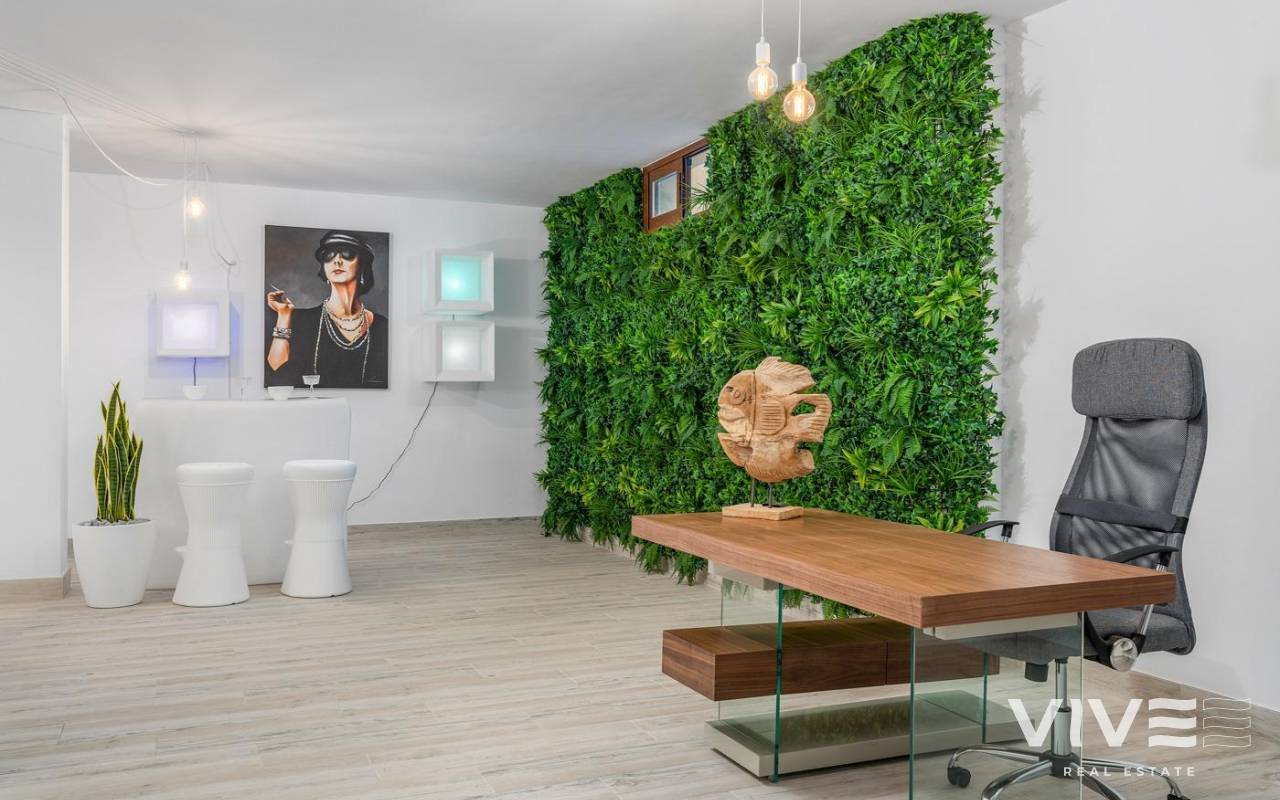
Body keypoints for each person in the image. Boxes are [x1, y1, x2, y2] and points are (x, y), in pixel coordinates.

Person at [266, 230, 388, 388]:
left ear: (362, 264)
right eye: (328, 256)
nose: (337, 261)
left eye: (347, 254)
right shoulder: (299, 320)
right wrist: (283, 316)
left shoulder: (382, 327)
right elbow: (276, 369)